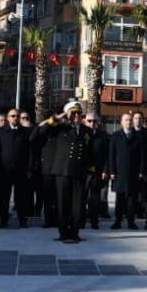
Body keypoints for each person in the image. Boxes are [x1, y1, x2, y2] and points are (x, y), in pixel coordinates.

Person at [34, 102, 97, 242]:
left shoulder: (87, 131)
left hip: (79, 172)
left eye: (78, 114)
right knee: (62, 204)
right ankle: (63, 233)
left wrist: (90, 172)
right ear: (68, 115)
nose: (76, 116)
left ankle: (74, 233)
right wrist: (57, 118)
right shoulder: (60, 128)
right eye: (73, 113)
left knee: (77, 205)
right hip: (62, 171)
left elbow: (91, 153)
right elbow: (41, 131)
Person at [0, 109, 33, 228]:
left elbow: (30, 152)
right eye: (12, 116)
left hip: (21, 171)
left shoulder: (25, 132)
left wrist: (29, 169)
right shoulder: (0, 132)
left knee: (21, 197)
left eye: (17, 116)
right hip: (4, 171)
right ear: (8, 118)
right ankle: (4, 220)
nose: (15, 118)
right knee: (4, 197)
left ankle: (22, 220)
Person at [106, 113, 145, 230]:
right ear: (121, 122)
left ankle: (131, 221)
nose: (128, 122)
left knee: (132, 199)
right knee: (120, 198)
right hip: (119, 172)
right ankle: (118, 221)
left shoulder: (137, 137)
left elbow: (142, 156)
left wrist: (141, 171)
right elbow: (111, 154)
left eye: (130, 120)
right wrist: (111, 170)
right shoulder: (115, 136)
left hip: (133, 173)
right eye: (126, 120)